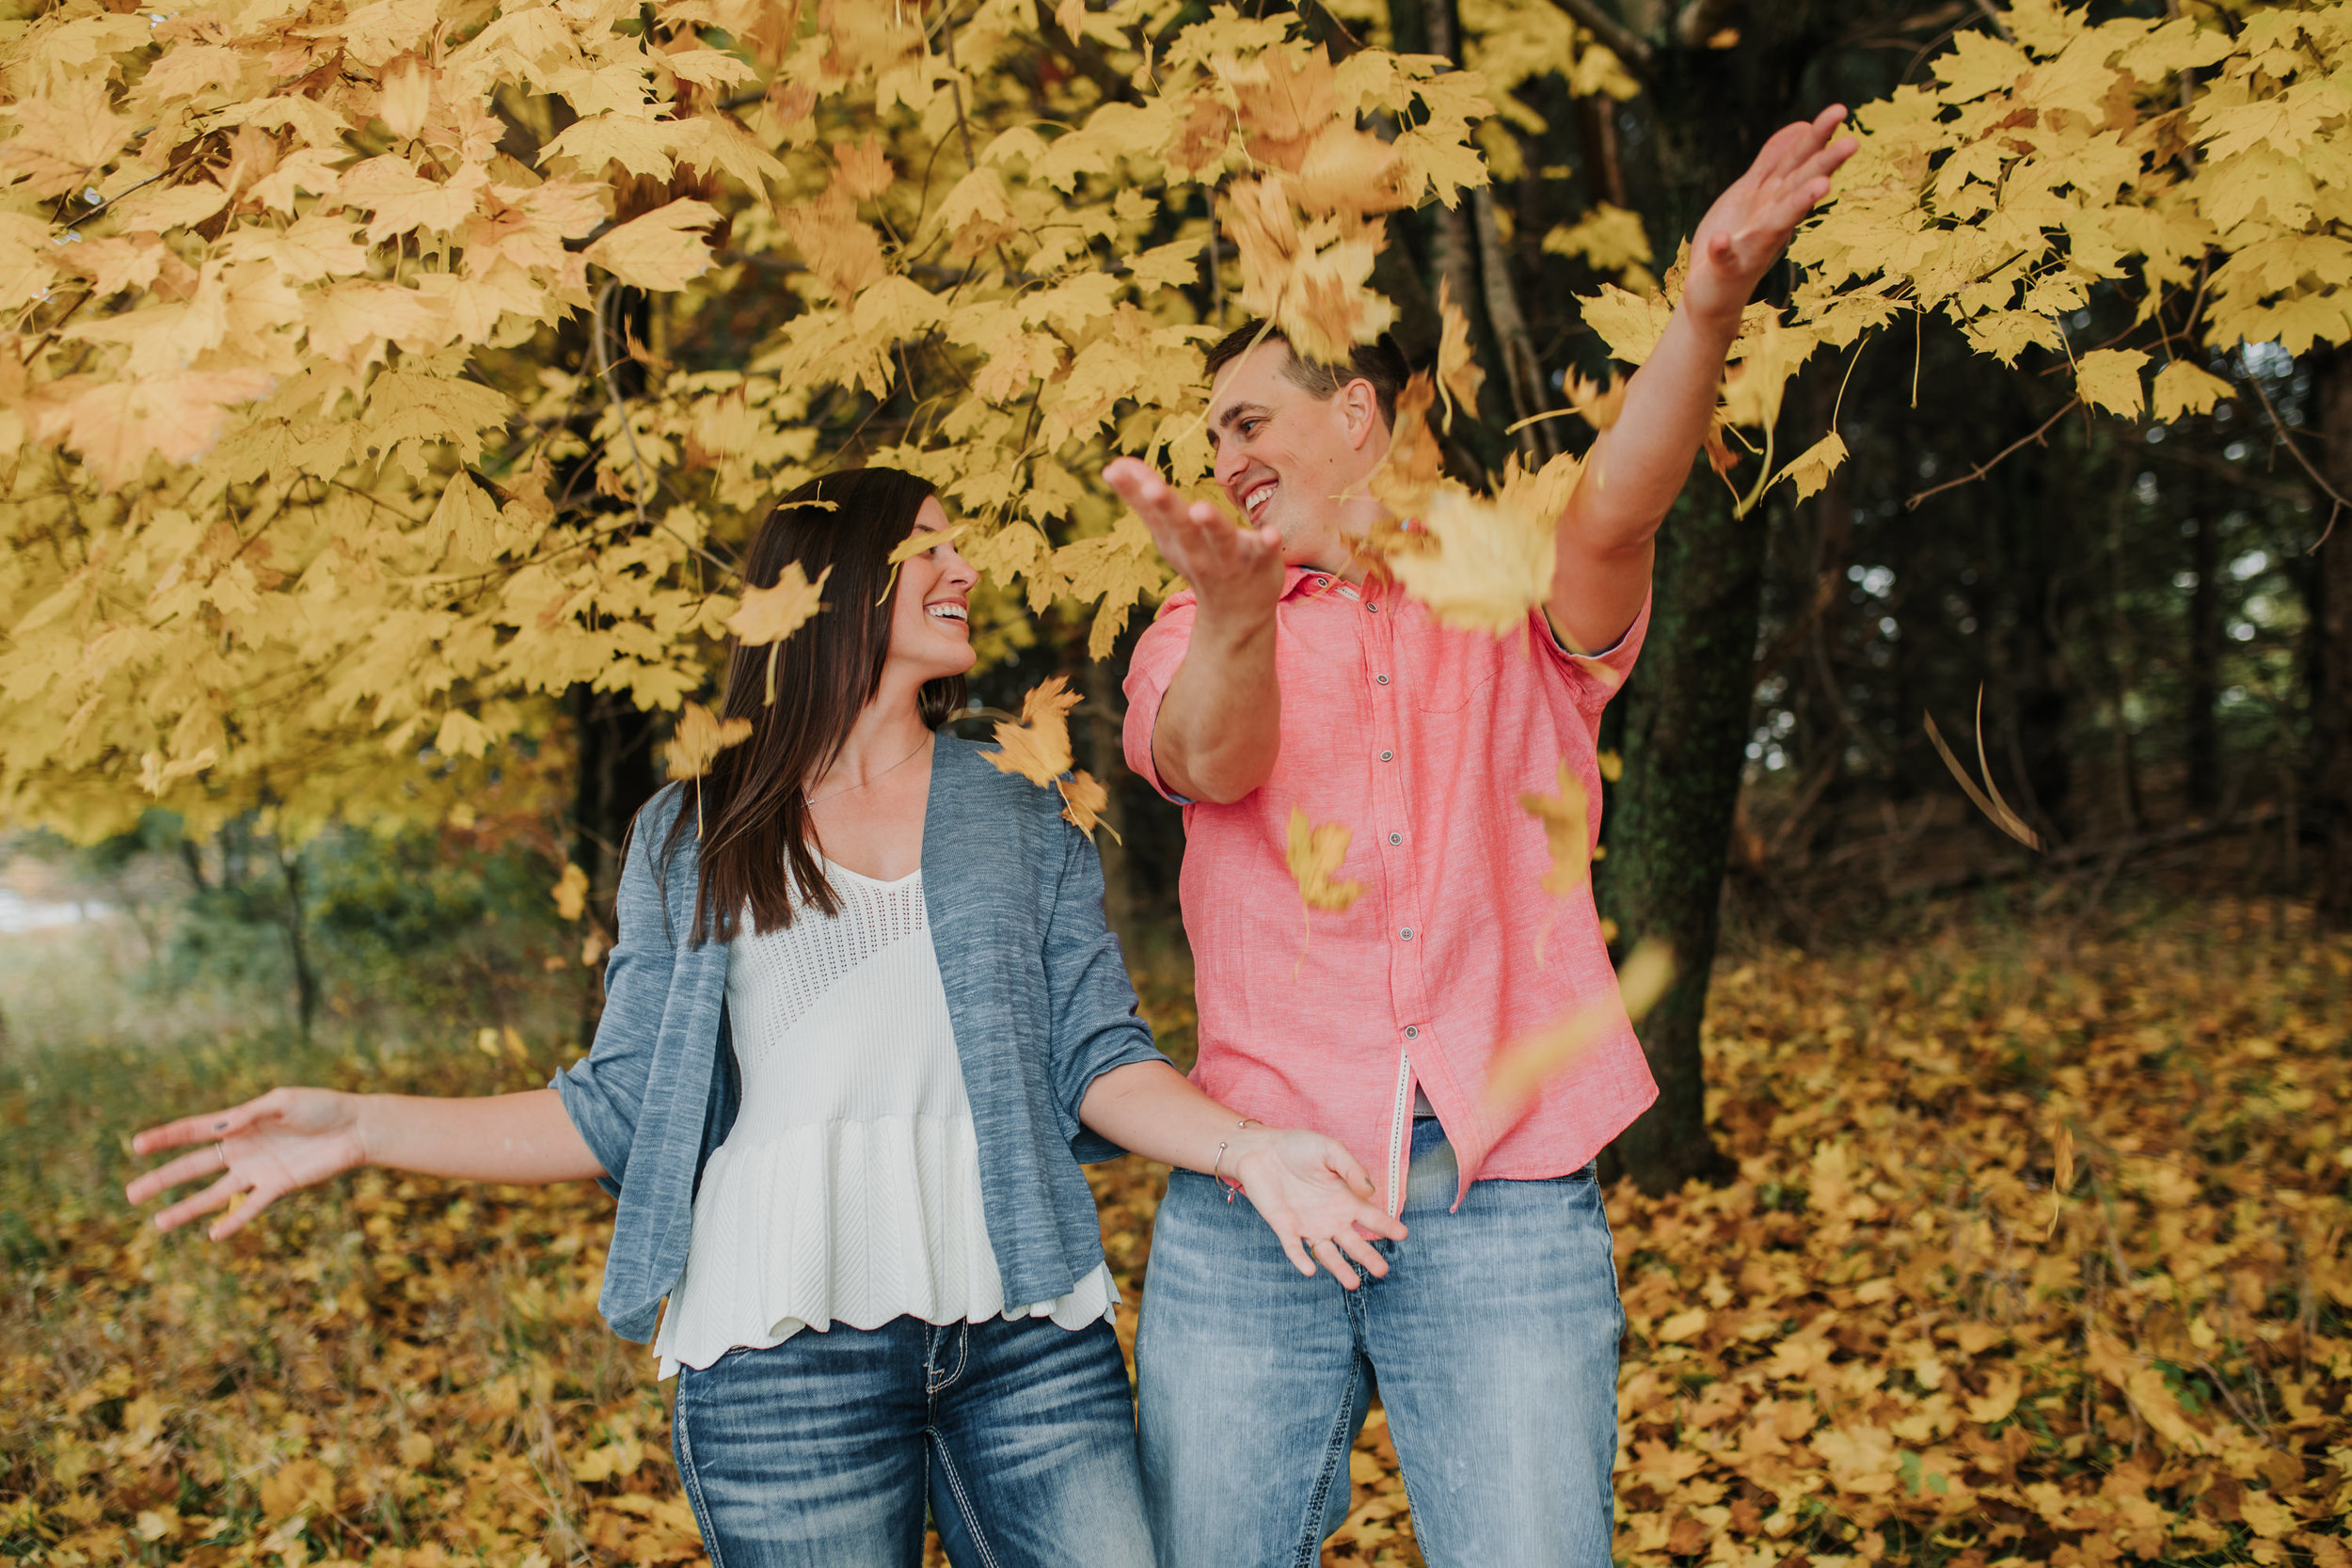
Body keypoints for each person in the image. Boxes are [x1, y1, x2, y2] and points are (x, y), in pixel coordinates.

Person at [126, 467, 1402, 1568]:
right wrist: (356, 1125)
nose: (965, 567)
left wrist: (1249, 1147)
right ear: (837, 575)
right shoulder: (693, 831)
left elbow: (1097, 1061)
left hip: (1025, 1346)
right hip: (778, 1365)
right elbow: (619, 1109)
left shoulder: (1020, 808)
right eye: (930, 545)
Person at [1102, 110, 1860, 1567]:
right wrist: (1242, 619)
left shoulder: (1506, 584)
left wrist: (1707, 299)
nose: (1224, 453)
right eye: (1209, 435)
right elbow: (1212, 756)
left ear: (1356, 416)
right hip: (1256, 1193)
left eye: (1247, 418)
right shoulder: (1190, 630)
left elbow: (1623, 505)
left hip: (1502, 1187)